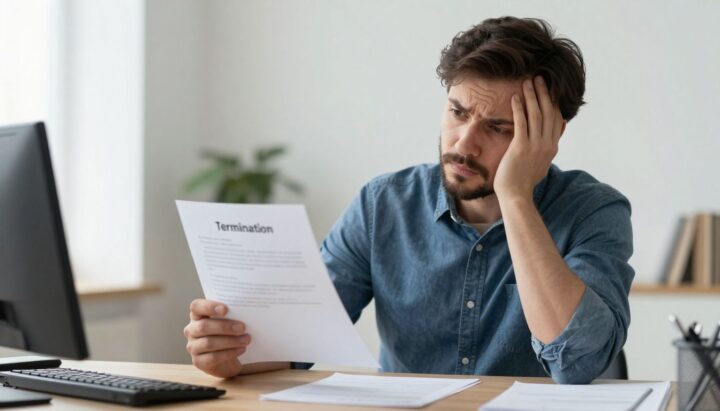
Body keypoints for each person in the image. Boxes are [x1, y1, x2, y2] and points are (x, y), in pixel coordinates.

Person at [183, 16, 634, 384]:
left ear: (550, 135)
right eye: (458, 112)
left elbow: (578, 363)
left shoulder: (595, 211)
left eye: (499, 128)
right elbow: (298, 340)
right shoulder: (383, 205)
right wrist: (232, 355)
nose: (465, 142)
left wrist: (515, 196)